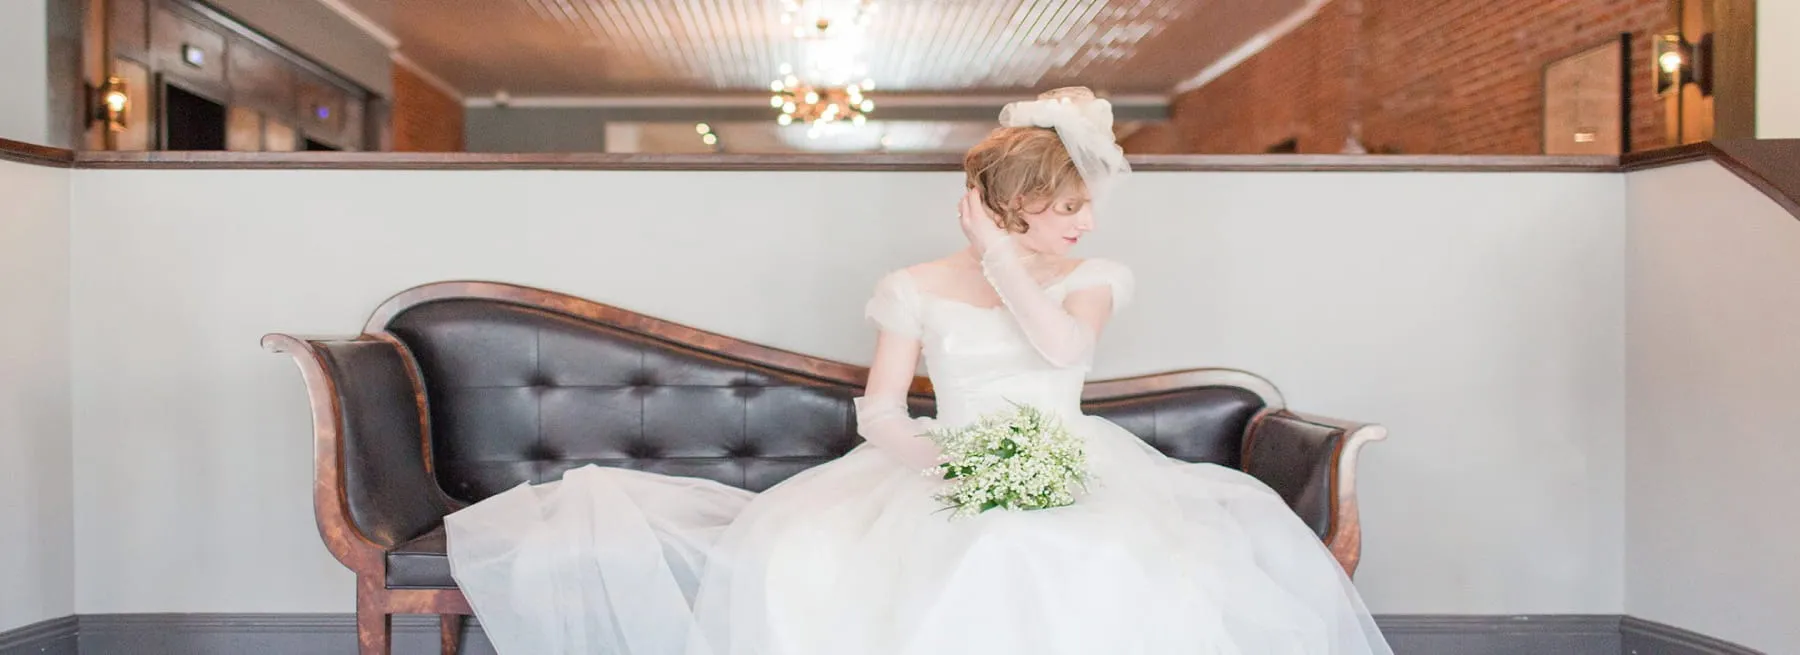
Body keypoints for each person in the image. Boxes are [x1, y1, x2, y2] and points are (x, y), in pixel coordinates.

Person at [443, 87, 1395, 655]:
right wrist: (951, 469)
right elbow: (881, 416)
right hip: (943, 467)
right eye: (1067, 207)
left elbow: (1064, 351)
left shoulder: (1096, 277)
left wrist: (1001, 266)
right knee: (811, 555)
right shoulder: (908, 286)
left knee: (1088, 557)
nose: (1087, 223)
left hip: (1078, 466)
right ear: (1015, 203)